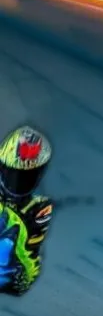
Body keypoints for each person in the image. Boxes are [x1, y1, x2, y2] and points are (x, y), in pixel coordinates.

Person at [0, 125, 53, 295]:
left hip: (8, 271)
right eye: (13, 174)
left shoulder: (39, 207)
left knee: (10, 233)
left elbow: (30, 257)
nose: (18, 182)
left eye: (26, 176)